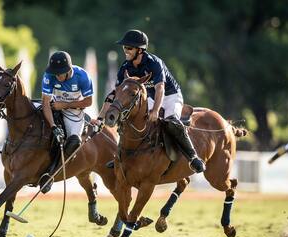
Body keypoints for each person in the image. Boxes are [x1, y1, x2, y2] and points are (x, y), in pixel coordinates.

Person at [92, 29, 205, 173]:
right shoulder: (125, 67)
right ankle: (119, 156)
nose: (125, 50)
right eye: (124, 47)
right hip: (149, 97)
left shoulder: (154, 63)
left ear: (140, 50)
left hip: (170, 96)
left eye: (129, 48)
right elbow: (115, 94)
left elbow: (160, 89)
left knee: (171, 122)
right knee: (128, 118)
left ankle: (193, 157)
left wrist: (156, 111)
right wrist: (100, 118)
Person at [41, 51, 93, 193]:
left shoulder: (82, 76)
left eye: (60, 73)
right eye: (55, 73)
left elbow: (88, 101)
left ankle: (51, 175)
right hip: (53, 109)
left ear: (68, 70)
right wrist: (52, 126)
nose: (57, 76)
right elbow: (45, 103)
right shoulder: (49, 75)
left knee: (74, 141)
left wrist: (64, 105)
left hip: (74, 112)